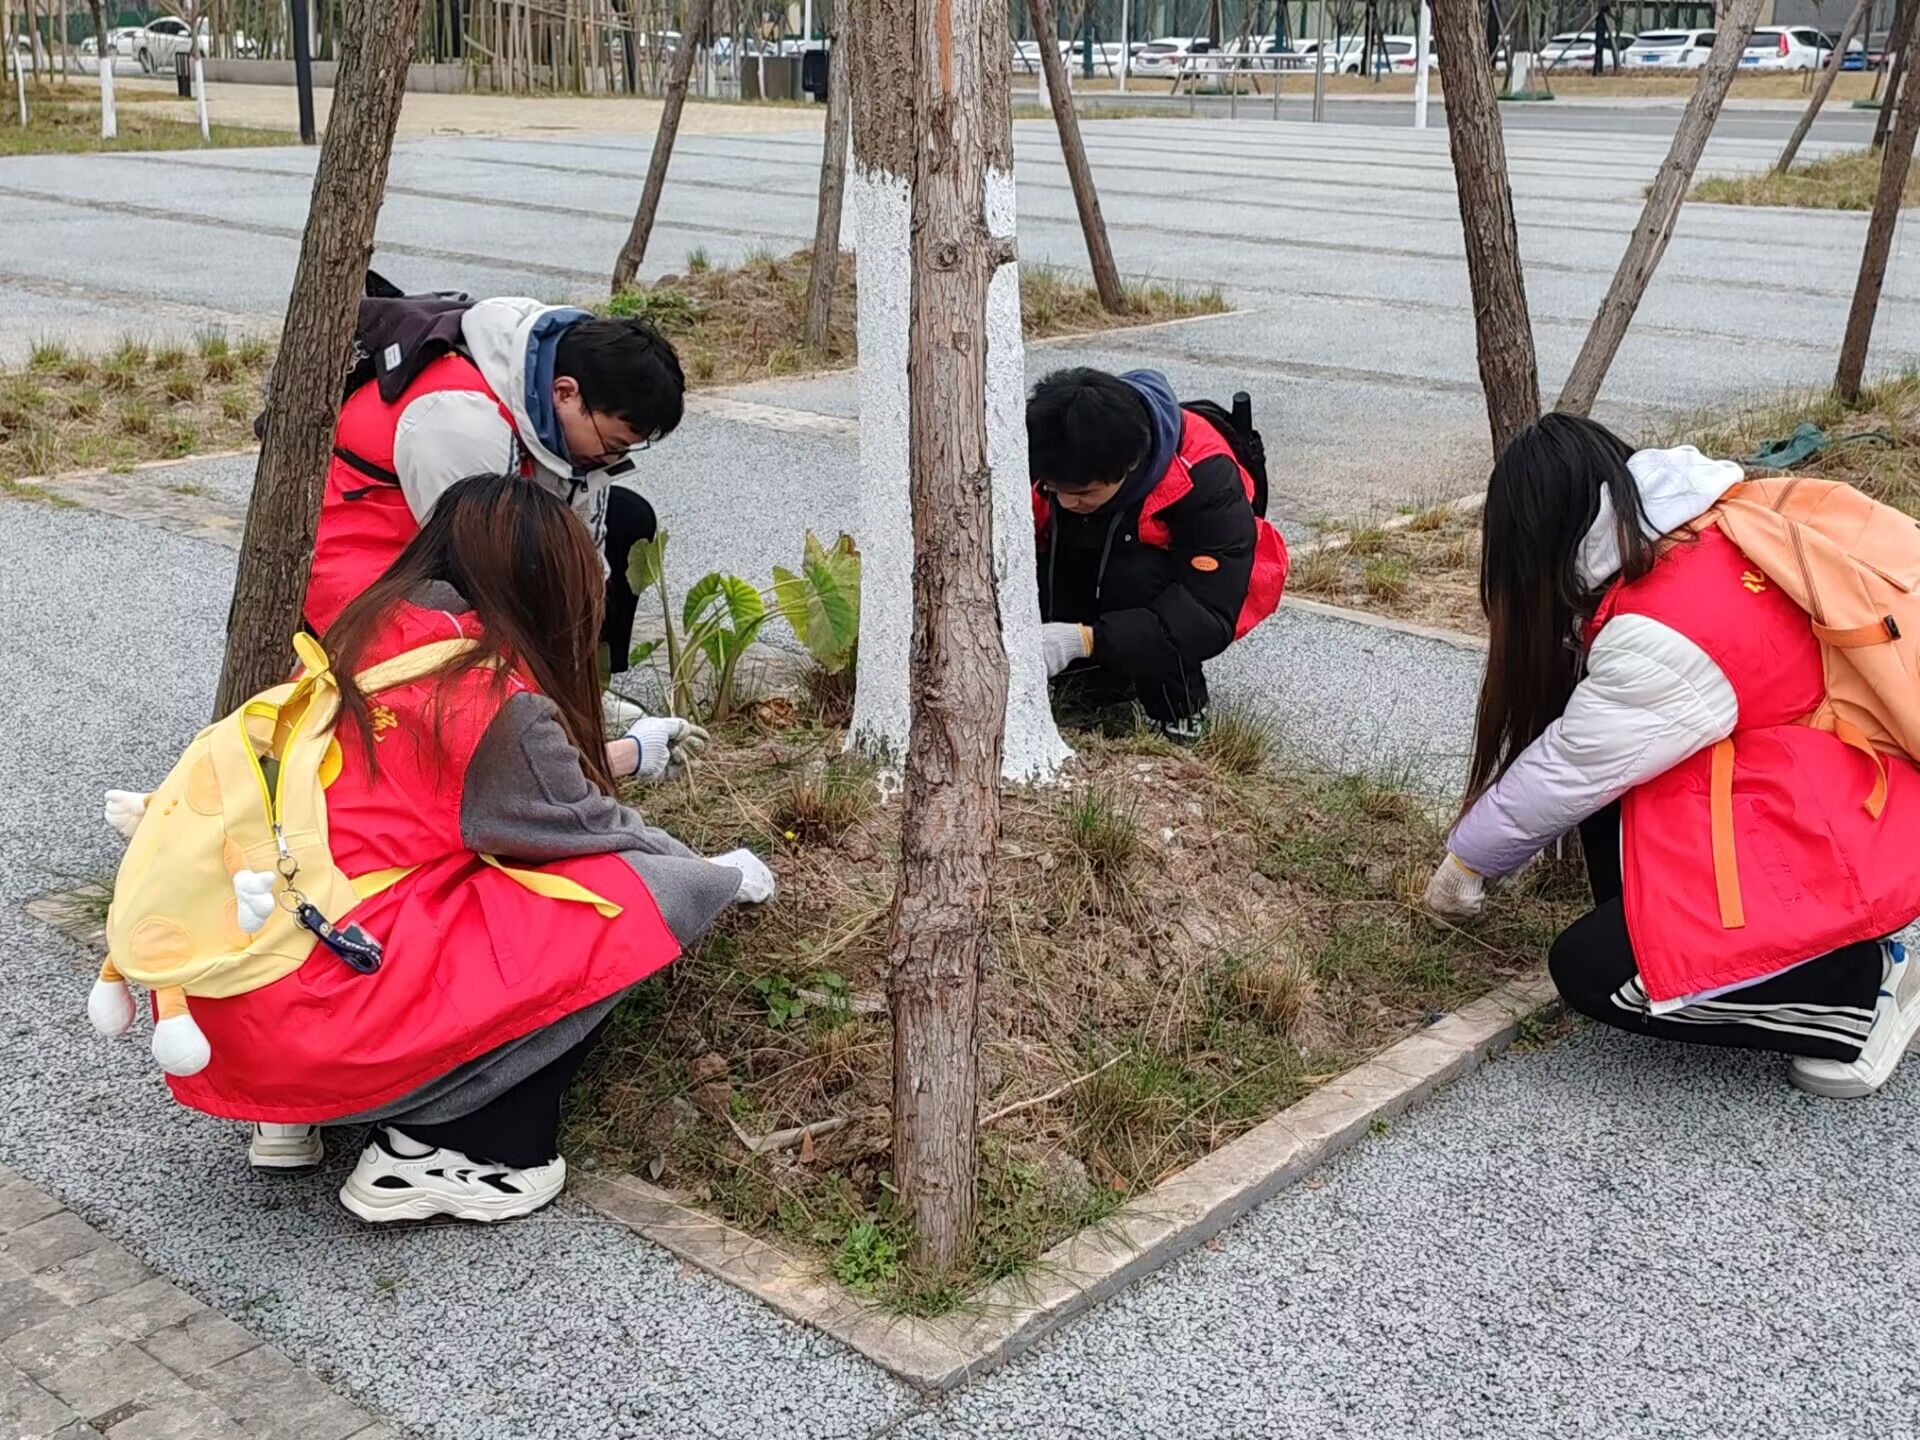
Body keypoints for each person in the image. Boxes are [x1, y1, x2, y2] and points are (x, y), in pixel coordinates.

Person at [171, 473, 775, 1223]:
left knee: (422, 876)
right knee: (628, 896)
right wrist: (716, 874)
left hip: (253, 980)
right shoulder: (489, 693)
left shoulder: (364, 629)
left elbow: (451, 795)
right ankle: (453, 1149)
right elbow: (589, 830)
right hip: (331, 1006)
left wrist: (621, 753)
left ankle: (295, 1113)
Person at [1424, 414, 1920, 1099]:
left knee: (1597, 973)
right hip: (1845, 798)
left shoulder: (1663, 627)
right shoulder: (1701, 528)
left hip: (1853, 836)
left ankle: (1857, 994)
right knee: (1621, 830)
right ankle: (1811, 954)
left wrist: (1467, 862)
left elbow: (1572, 766)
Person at [305, 294, 683, 689]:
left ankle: (587, 693)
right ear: (565, 392)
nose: (612, 458)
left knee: (628, 518)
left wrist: (581, 646)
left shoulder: (556, 393)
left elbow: (586, 550)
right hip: (368, 565)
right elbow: (482, 575)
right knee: (478, 650)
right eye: (612, 445)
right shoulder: (463, 419)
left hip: (438, 535)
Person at [1027, 367, 1288, 738]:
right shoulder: (1058, 445)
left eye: (1083, 493)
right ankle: (1090, 685)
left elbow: (1207, 613)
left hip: (1176, 589)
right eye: (1055, 489)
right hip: (1095, 562)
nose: (1068, 502)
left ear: (1129, 466)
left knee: (1137, 572)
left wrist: (1084, 639)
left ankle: (1180, 712)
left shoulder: (1207, 477)